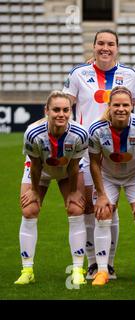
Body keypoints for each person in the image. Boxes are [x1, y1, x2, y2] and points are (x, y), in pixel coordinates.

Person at [63, 29, 135, 280]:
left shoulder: (128, 75)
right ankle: (95, 264)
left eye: (111, 44)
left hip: (124, 150)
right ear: (93, 46)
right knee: (93, 209)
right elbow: (65, 105)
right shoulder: (78, 73)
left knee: (111, 209)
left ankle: (109, 265)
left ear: (117, 48)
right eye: (101, 43)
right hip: (88, 151)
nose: (106, 48)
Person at [15, 91, 88, 286]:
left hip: (67, 170)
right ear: (47, 110)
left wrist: (73, 192)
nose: (61, 114)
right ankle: (27, 269)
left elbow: (74, 166)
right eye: (56, 110)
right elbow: (36, 165)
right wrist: (33, 190)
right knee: (29, 210)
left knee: (76, 209)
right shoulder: (33, 132)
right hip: (41, 169)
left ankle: (78, 269)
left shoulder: (79, 133)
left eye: (66, 110)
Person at [88, 86, 135, 286]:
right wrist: (100, 194)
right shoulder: (96, 129)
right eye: (116, 105)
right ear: (109, 106)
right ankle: (102, 271)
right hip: (108, 176)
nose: (121, 109)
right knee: (103, 214)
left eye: (125, 105)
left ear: (132, 106)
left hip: (134, 176)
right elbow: (94, 162)